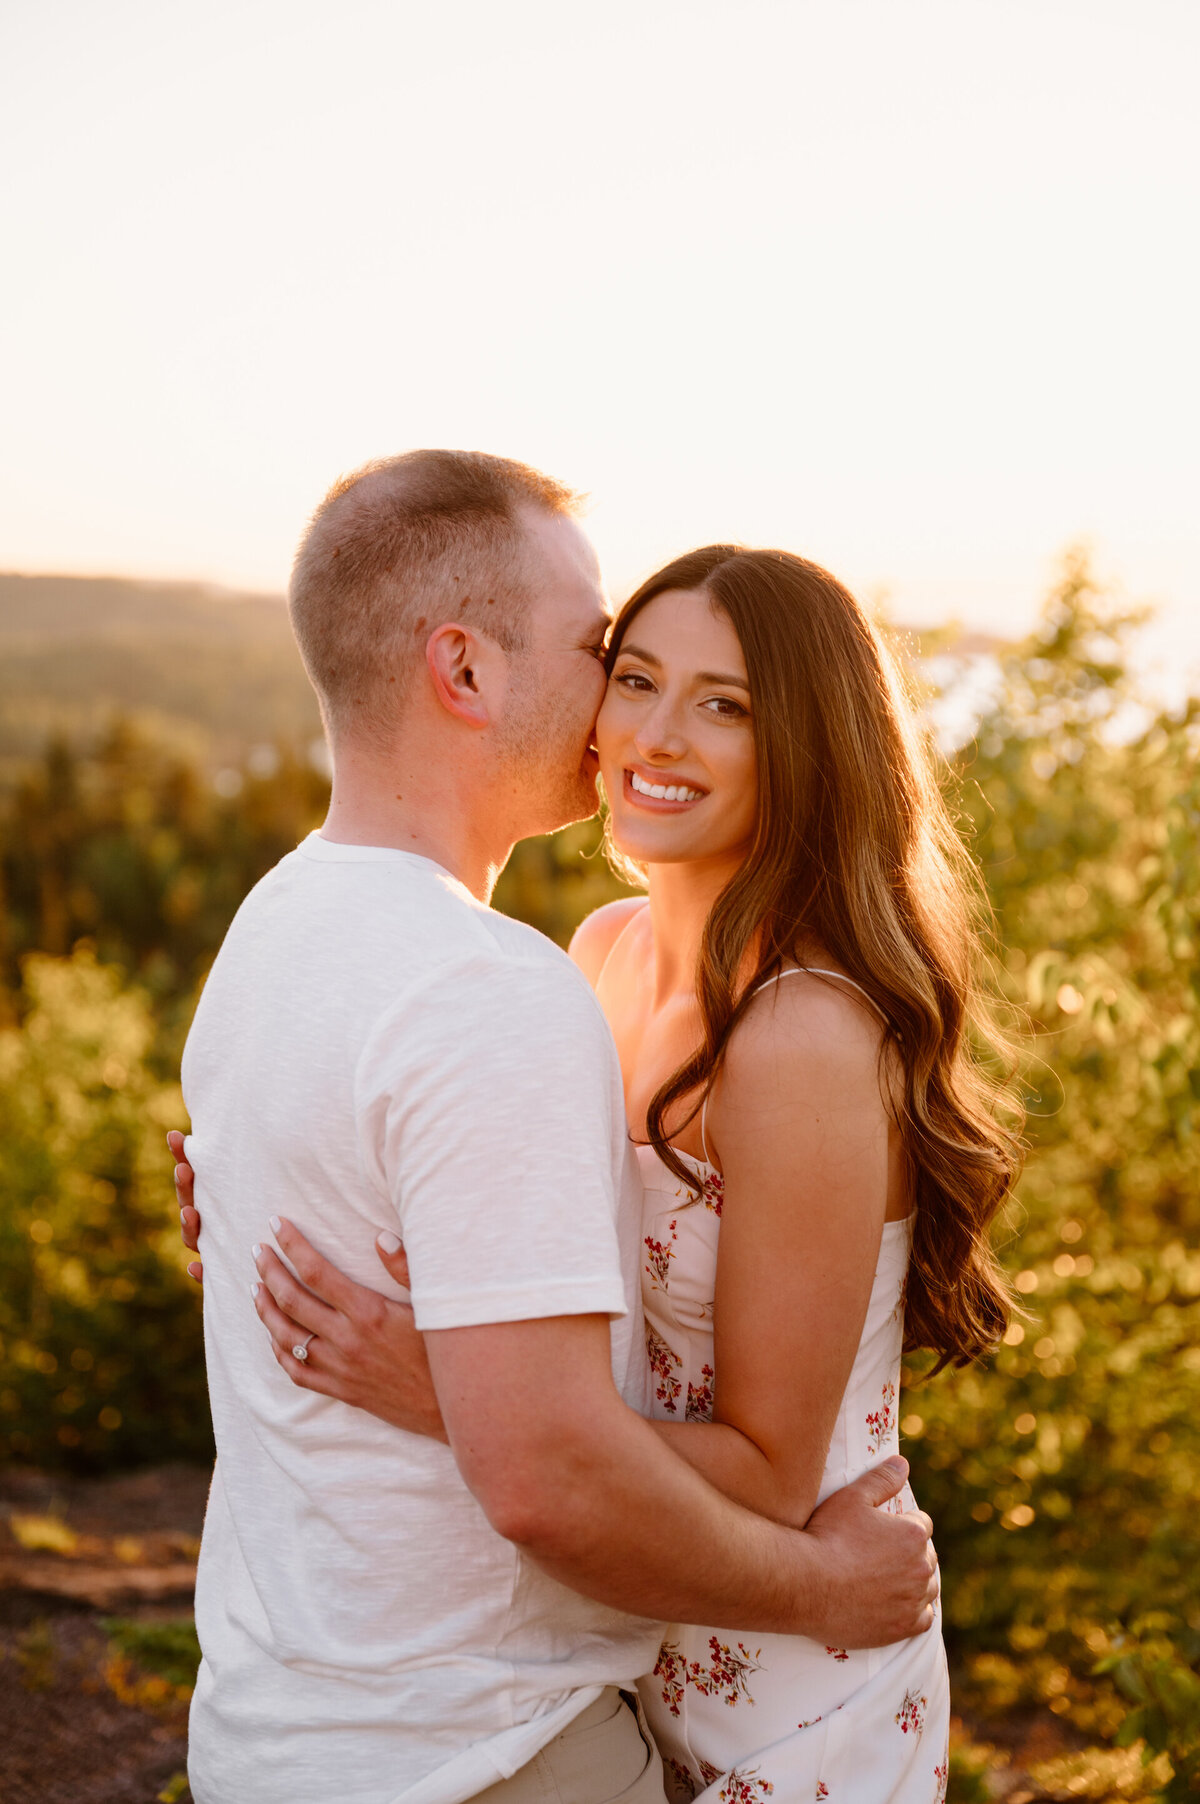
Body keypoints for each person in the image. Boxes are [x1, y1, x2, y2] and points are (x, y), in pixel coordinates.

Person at [175, 451, 939, 1804]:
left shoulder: (805, 1036)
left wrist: (448, 1390)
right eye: (625, 668)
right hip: (628, 1620)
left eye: (724, 704)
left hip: (786, 1638)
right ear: (467, 673)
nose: (640, 728)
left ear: (806, 742)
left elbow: (746, 1463)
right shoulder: (588, 955)